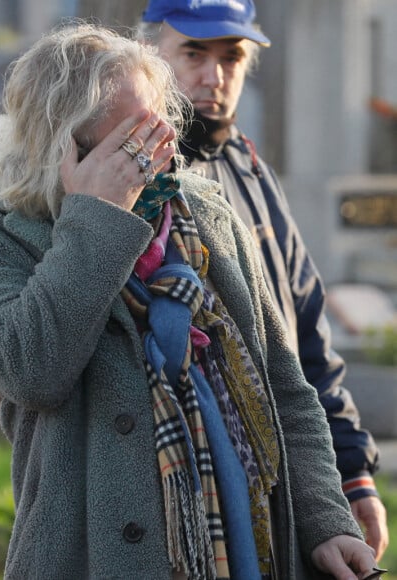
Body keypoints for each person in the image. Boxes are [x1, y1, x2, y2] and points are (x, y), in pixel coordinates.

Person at [0, 22, 379, 579]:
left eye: (159, 123)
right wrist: (98, 218)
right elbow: (31, 370)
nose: (157, 151)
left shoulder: (206, 213)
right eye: (132, 141)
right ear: (61, 144)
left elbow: (285, 387)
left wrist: (327, 520)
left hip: (249, 546)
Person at [138, 0, 389, 562]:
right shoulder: (133, 177)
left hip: (289, 473)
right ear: (150, 53)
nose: (215, 76)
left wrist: (353, 472)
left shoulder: (252, 171)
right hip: (187, 488)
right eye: (194, 53)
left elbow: (305, 337)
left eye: (233, 56)